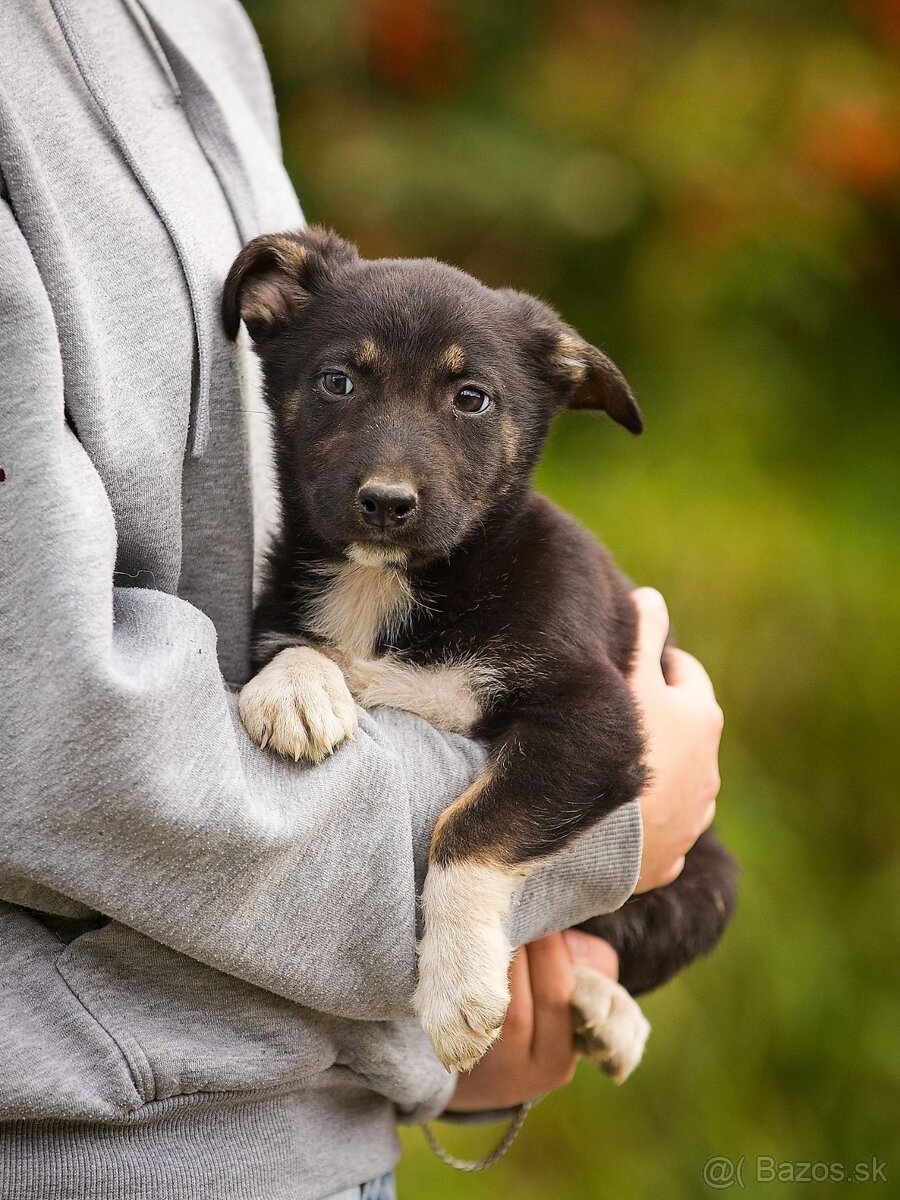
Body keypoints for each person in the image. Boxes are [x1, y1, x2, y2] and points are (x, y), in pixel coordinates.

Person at [0, 3, 722, 1198]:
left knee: (711, 890)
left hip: (342, 1133)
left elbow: (595, 743)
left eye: (469, 404)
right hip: (107, 1147)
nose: (394, 473)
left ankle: (590, 966)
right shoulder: (301, 601)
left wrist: (490, 957)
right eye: (341, 382)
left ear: (554, 402)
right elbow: (58, 734)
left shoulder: (208, 26)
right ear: (270, 324)